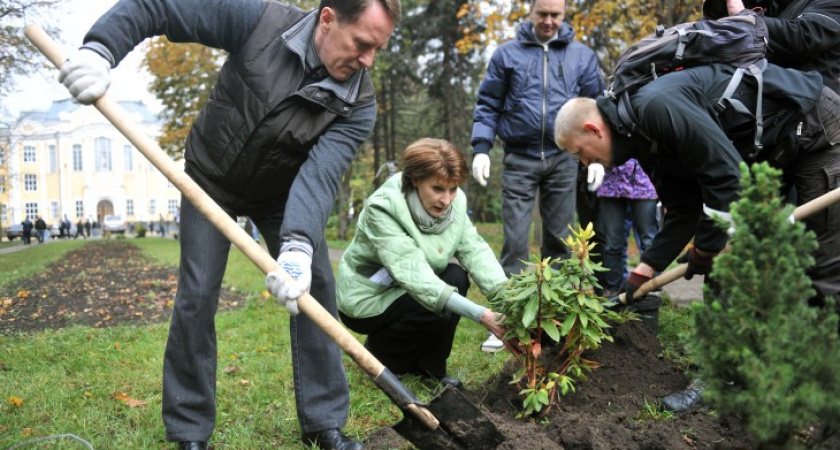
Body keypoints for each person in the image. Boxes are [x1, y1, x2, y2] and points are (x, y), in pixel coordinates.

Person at [58, 1, 401, 449]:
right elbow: (159, 6)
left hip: (282, 194)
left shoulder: (358, 101)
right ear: (328, 18)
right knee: (197, 295)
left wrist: (297, 247)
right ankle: (189, 431)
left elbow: (319, 177)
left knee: (316, 283)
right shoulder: (261, 24)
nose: (368, 60)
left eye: (378, 49)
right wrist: (100, 50)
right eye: (362, 44)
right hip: (210, 179)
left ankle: (324, 423)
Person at [554, 63, 840, 411]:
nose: (584, 163)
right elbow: (684, 208)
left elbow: (726, 178)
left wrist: (706, 247)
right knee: (730, 262)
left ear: (592, 129)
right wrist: (645, 269)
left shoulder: (656, 108)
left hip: (813, 128)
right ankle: (727, 374)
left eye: (579, 153)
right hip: (771, 148)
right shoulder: (639, 137)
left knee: (823, 268)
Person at [469, 0, 603, 352]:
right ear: (530, 13)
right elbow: (488, 104)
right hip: (519, 156)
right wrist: (481, 147)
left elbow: (597, 106)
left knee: (559, 240)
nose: (548, 21)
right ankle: (510, 320)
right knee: (514, 241)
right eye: (542, 14)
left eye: (555, 15)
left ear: (564, 15)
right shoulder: (506, 55)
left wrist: (599, 156)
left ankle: (553, 319)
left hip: (564, 158)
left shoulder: (581, 56)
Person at [335, 138, 518, 386]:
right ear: (414, 180)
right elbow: (417, 278)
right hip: (370, 298)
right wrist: (483, 315)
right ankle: (384, 355)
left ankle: (431, 368)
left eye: (452, 189)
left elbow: (476, 252)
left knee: (456, 277)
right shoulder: (384, 209)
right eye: (438, 189)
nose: (447, 200)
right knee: (432, 300)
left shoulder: (456, 204)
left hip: (409, 289)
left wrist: (513, 304)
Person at [714, 0, 840, 94]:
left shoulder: (829, 2)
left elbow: (805, 38)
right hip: (772, 104)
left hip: (811, 109)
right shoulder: (774, 7)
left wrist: (747, 19)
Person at [594, 159, 658, 296]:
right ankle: (614, 290)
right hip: (609, 182)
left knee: (649, 239)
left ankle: (653, 290)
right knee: (612, 242)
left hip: (643, 180)